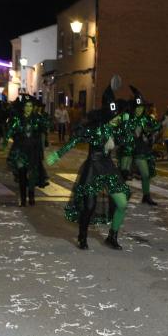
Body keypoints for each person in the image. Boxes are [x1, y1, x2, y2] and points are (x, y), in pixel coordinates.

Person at [46, 85, 129, 250]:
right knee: (89, 206)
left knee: (122, 203)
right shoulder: (94, 129)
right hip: (93, 166)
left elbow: (127, 140)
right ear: (106, 116)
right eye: (114, 117)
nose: (117, 119)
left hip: (108, 167)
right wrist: (58, 154)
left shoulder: (117, 130)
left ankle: (112, 237)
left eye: (118, 116)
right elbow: (75, 140)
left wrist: (125, 123)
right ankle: (82, 236)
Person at [118, 86, 161, 205]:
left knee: (145, 174)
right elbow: (117, 127)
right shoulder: (126, 117)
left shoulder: (144, 119)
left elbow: (153, 128)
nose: (139, 110)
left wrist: (157, 126)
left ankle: (146, 196)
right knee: (124, 173)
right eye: (137, 108)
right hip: (127, 147)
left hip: (139, 148)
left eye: (141, 108)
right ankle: (119, 195)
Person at [2, 95, 49, 207]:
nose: (28, 108)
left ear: (33, 107)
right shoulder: (17, 119)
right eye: (26, 106)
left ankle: (31, 196)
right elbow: (10, 131)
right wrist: (5, 142)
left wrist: (43, 119)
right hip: (20, 151)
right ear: (23, 107)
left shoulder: (37, 118)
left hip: (33, 151)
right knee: (22, 175)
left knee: (32, 175)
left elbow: (46, 127)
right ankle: (23, 199)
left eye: (30, 106)